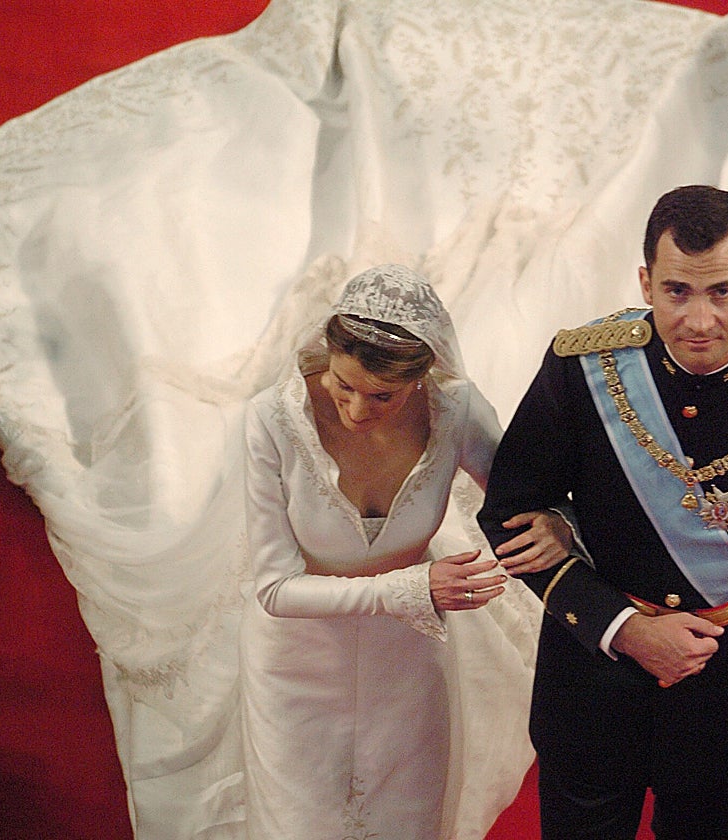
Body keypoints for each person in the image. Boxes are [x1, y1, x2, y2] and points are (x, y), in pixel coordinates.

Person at [478, 185, 728, 840]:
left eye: (721, 291)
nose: (698, 320)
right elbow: (510, 511)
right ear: (645, 282)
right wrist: (622, 627)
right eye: (676, 292)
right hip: (592, 678)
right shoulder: (584, 368)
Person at [239, 263, 571, 839]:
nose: (357, 411)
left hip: (409, 666)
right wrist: (415, 588)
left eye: (382, 395)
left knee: (408, 821)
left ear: (421, 377)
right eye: (342, 385)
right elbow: (273, 588)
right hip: (295, 665)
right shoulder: (270, 421)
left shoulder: (456, 411)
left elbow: (529, 497)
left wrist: (560, 522)